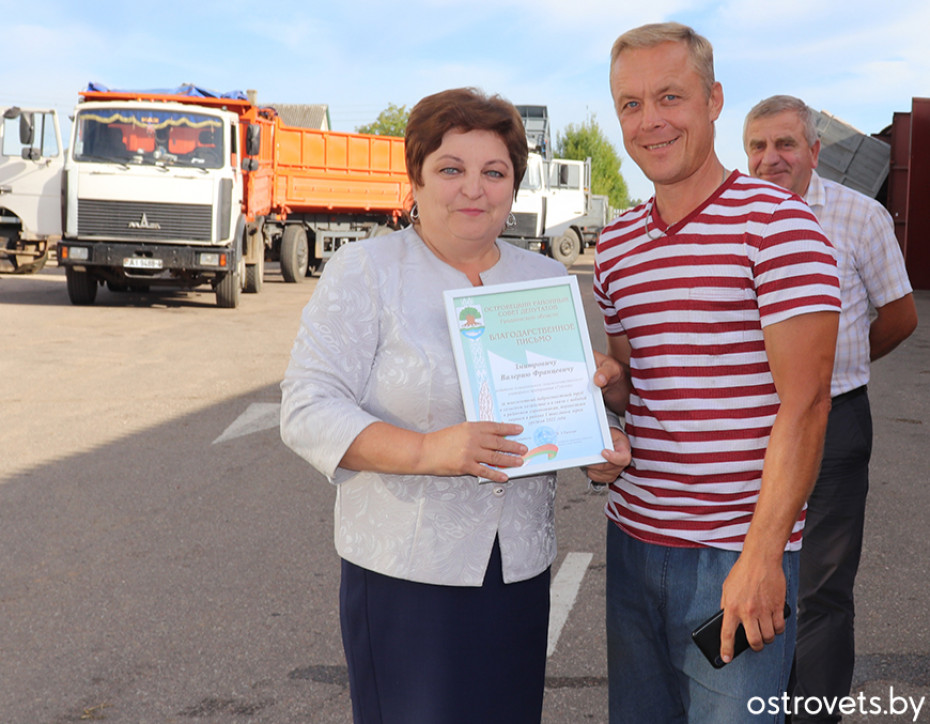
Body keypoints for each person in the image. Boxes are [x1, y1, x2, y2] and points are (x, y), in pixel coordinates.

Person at [280, 87, 630, 724]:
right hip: (405, 575)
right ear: (415, 177)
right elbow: (306, 406)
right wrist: (426, 449)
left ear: (513, 187)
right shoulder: (367, 271)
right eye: (451, 169)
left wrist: (596, 443)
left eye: (494, 172)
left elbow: (551, 402)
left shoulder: (545, 280)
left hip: (517, 572)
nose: (474, 189)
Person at [591, 22, 842, 723]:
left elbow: (808, 406)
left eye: (670, 96)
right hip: (635, 540)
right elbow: (638, 390)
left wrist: (763, 559)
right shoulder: (615, 246)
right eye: (631, 105)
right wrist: (601, 398)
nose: (651, 121)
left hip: (736, 556)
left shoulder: (779, 227)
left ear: (713, 100)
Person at [744, 95, 918, 723]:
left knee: (821, 587)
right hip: (749, 428)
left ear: (814, 152)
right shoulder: (730, 218)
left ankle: (811, 714)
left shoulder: (859, 218)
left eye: (785, 144)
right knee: (747, 568)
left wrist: (828, 371)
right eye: (758, 146)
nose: (771, 158)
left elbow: (899, 315)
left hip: (835, 422)